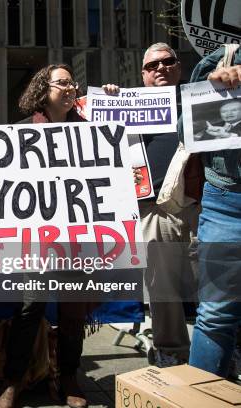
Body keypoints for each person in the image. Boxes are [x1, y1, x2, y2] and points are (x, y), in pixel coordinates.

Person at [0, 64, 94, 408]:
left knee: (73, 311)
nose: (70, 88)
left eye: (73, 83)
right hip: (37, 241)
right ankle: (14, 380)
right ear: (44, 90)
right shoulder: (21, 134)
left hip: (76, 238)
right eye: (62, 83)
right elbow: (4, 184)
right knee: (30, 308)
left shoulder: (89, 133)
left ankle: (69, 376)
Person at [103, 42, 200, 368]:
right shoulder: (126, 104)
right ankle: (171, 349)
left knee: (217, 280)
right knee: (161, 285)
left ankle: (221, 349)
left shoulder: (197, 96)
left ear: (178, 66)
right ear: (143, 74)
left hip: (202, 201)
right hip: (153, 205)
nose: (160, 68)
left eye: (167, 61)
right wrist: (108, 102)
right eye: (151, 65)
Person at [185, 45, 241, 377]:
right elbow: (186, 136)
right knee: (216, 315)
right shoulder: (221, 60)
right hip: (226, 205)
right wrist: (213, 96)